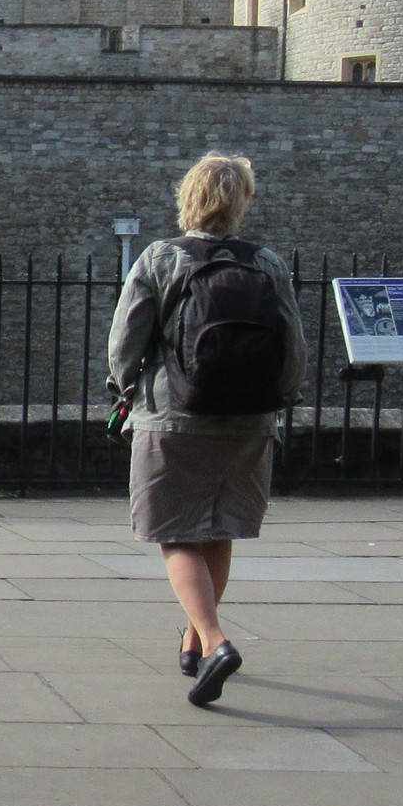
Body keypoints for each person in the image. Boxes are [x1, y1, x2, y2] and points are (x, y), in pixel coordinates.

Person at [106, 153, 305, 706]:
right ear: (241, 202)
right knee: (218, 528)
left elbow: (126, 341)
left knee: (175, 533)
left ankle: (215, 641)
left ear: (187, 197)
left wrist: (123, 388)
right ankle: (192, 640)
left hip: (174, 415)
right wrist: (281, 399)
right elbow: (293, 345)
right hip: (250, 418)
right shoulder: (266, 262)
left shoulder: (161, 257)